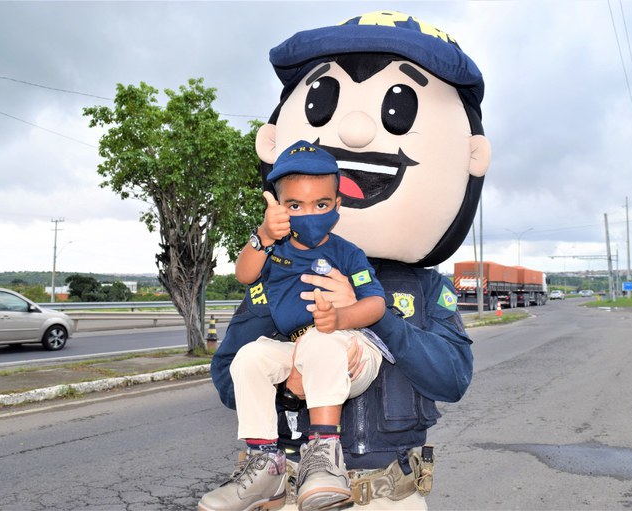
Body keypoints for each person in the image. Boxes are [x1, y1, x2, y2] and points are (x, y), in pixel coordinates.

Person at [205, 10, 492, 510]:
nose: (358, 131)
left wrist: (377, 324)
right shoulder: (278, 267)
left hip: (391, 497)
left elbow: (454, 379)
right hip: (294, 497)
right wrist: (293, 374)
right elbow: (229, 377)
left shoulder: (423, 286)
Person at [199, 141, 387, 511]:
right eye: (295, 206)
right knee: (250, 357)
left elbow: (376, 304)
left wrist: (340, 318)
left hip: (349, 346)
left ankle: (325, 456)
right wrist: (264, 237)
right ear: (278, 207)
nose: (309, 213)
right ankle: (265, 465)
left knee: (320, 341)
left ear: (337, 205)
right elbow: (244, 273)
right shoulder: (275, 248)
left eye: (321, 204)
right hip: (298, 348)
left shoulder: (347, 253)